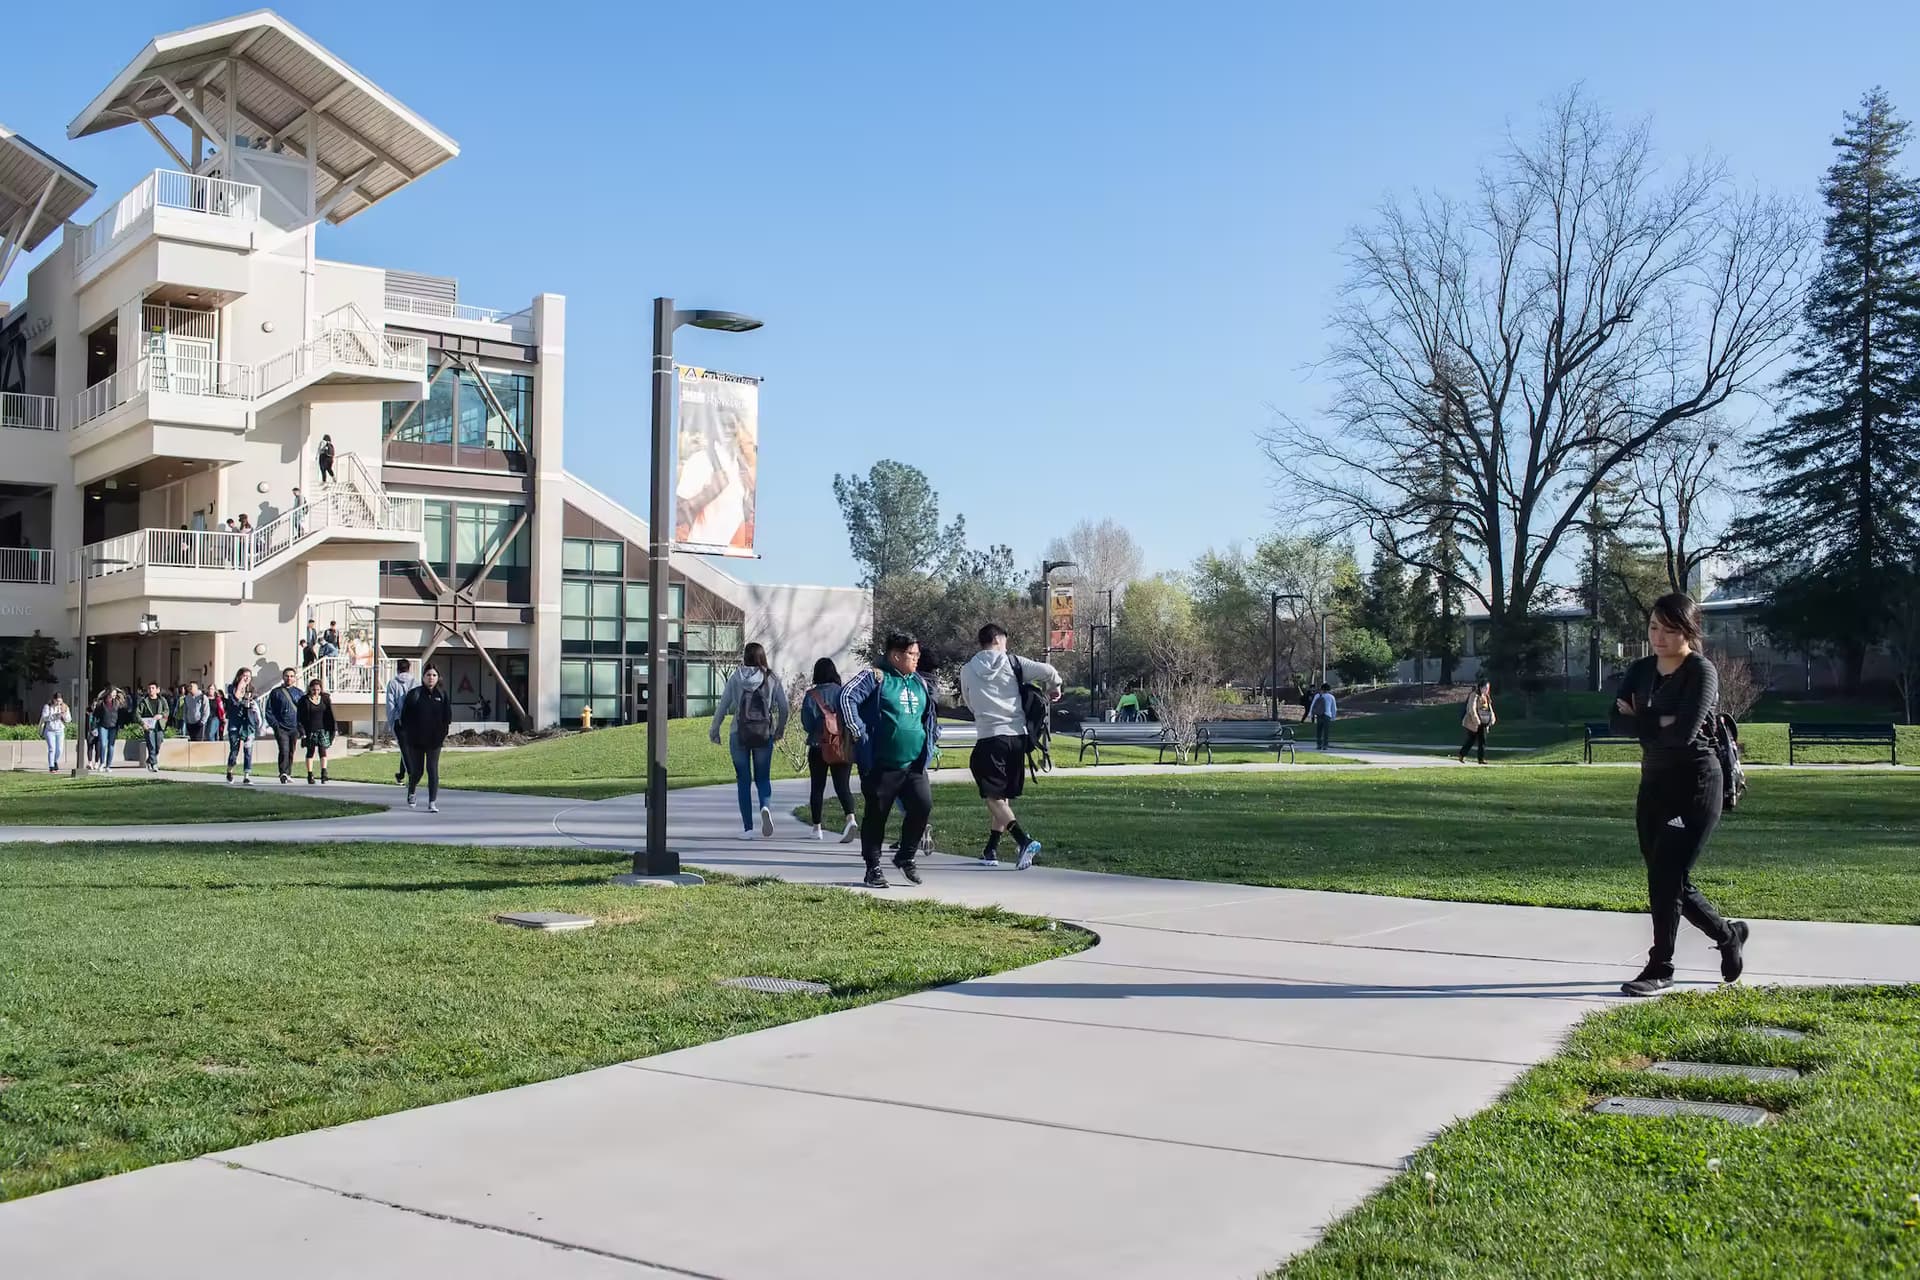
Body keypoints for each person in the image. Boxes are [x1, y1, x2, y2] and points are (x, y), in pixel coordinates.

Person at [1611, 592, 1748, 997]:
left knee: (1668, 875)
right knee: (1664, 875)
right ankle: (1728, 934)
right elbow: (1615, 725)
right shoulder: (1639, 670)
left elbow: (1685, 733)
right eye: (1654, 627)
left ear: (1688, 631)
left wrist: (1642, 718)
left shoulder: (1700, 672)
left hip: (1697, 784)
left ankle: (1661, 966)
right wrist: (1657, 720)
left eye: (1670, 630)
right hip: (1653, 783)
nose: (1660, 637)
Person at [840, 632, 939, 888]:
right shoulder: (875, 677)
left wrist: (932, 738)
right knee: (877, 815)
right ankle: (872, 867)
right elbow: (846, 696)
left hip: (914, 765)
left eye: (917, 654)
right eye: (912, 654)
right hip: (881, 764)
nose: (917, 659)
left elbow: (929, 714)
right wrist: (858, 729)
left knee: (922, 806)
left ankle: (905, 857)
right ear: (895, 655)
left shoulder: (919, 682)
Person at [959, 623, 1061, 869]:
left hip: (989, 736)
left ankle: (1023, 839)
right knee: (1001, 796)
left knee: (992, 796)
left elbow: (969, 701)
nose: (1006, 644)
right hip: (1017, 737)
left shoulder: (967, 669)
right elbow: (1048, 671)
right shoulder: (1013, 662)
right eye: (1005, 639)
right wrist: (1054, 687)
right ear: (997, 638)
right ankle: (991, 849)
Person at [710, 643, 789, 839]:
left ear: (745, 657)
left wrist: (715, 729)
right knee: (763, 778)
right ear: (762, 657)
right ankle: (765, 807)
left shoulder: (736, 677)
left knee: (743, 781)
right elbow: (784, 708)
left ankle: (748, 828)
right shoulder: (771, 678)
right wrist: (779, 730)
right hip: (764, 734)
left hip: (739, 733)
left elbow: (724, 705)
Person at [799, 657, 858, 843]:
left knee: (817, 787)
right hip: (841, 746)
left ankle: (817, 828)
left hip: (818, 747)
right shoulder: (843, 694)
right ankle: (851, 818)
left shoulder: (811, 696)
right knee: (843, 786)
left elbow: (807, 724)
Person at [400, 663, 453, 812]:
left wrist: (442, 733)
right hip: (415, 740)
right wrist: (408, 733)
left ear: (438, 678)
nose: (431, 678)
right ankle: (411, 790)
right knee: (418, 771)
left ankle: (432, 802)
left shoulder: (442, 695)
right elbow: (405, 717)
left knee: (432, 769)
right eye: (428, 675)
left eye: (434, 675)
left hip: (434, 740)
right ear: (423, 677)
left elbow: (447, 717)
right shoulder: (415, 694)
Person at [263, 665, 302, 783]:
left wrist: (302, 726)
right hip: (281, 727)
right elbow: (269, 711)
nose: (289, 678)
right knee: (284, 749)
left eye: (291, 676)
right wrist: (275, 725)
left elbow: (303, 711)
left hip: (294, 727)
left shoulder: (299, 693)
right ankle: (283, 773)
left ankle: (288, 773)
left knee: (291, 750)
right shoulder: (276, 693)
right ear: (283, 677)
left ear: (295, 678)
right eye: (287, 676)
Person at [385, 657, 418, 784]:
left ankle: (411, 775)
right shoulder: (416, 682)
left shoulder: (393, 683)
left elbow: (390, 705)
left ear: (397, 669)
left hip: (400, 721)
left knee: (405, 748)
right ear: (409, 668)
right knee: (409, 748)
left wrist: (392, 722)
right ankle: (401, 774)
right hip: (414, 721)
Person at [225, 668, 259, 785]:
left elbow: (255, 705)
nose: (246, 678)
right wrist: (240, 687)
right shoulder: (231, 688)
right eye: (244, 675)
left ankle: (246, 775)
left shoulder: (253, 690)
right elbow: (235, 700)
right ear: (239, 676)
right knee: (234, 749)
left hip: (248, 723)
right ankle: (230, 771)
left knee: (248, 749)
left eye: (249, 676)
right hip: (235, 722)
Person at [298, 678, 334, 783]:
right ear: (310, 689)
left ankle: (324, 773)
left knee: (323, 750)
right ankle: (310, 774)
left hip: (323, 729)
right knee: (310, 751)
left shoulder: (325, 699)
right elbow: (300, 718)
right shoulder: (304, 700)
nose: (316, 692)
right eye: (313, 689)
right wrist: (302, 732)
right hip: (310, 730)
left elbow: (330, 715)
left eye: (318, 689)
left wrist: (332, 729)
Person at [1458, 680, 1495, 764]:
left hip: (1484, 722)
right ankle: (1462, 755)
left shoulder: (1486, 697)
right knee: (1471, 740)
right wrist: (1476, 719)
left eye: (1488, 688)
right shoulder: (1474, 695)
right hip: (1474, 722)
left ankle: (1481, 759)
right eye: (1485, 688)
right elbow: (1472, 708)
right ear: (1480, 687)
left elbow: (1490, 708)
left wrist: (1492, 717)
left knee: (1483, 740)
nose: (1486, 690)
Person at [134, 681, 169, 773]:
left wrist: (161, 715)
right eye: (149, 688)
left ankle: (150, 760)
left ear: (157, 690)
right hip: (148, 726)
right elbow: (137, 713)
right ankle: (154, 764)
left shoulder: (162, 700)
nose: (151, 690)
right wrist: (142, 723)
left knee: (158, 744)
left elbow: (167, 711)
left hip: (159, 726)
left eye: (153, 688)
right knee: (151, 745)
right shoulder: (144, 701)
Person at [40, 693, 70, 773]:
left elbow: (68, 719)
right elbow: (44, 717)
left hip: (60, 730)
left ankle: (54, 761)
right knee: (52, 748)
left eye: (60, 701)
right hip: (50, 730)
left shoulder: (64, 707)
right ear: (53, 700)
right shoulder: (48, 707)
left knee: (59, 749)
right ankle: (51, 766)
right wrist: (55, 716)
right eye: (57, 701)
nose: (58, 703)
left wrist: (64, 716)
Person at [1307, 682, 1337, 751]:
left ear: (1322, 689)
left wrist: (1311, 714)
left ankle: (1319, 744)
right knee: (1326, 731)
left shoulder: (1318, 695)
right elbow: (1334, 708)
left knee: (1319, 730)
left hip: (1319, 715)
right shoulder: (1331, 697)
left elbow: (1313, 705)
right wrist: (1333, 717)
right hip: (1327, 715)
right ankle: (1325, 745)